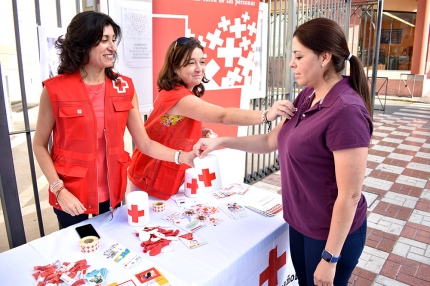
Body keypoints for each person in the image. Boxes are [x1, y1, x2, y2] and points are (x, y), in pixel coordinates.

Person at [193, 18, 373, 286]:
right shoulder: (307, 96)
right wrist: (221, 142)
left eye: (299, 56)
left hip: (329, 235)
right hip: (301, 223)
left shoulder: (346, 110)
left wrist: (330, 258)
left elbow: (349, 195)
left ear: (325, 57)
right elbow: (268, 141)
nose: (291, 63)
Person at [33, 11, 195, 229]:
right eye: (104, 41)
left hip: (112, 193)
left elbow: (145, 143)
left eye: (113, 40)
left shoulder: (125, 87)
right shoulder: (55, 90)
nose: (113, 47)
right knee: (79, 249)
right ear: (83, 44)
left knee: (110, 246)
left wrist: (182, 157)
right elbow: (39, 144)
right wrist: (58, 189)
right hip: (70, 194)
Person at [127, 37, 296, 200]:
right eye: (190, 62)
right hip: (151, 177)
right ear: (175, 67)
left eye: (202, 61)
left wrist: (195, 131)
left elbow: (167, 126)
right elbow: (223, 116)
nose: (199, 68)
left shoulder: (176, 92)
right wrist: (266, 115)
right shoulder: (179, 97)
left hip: (155, 172)